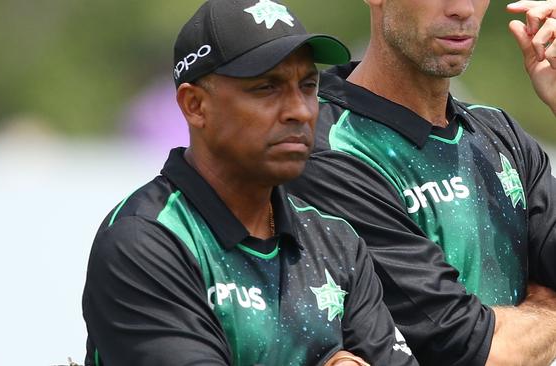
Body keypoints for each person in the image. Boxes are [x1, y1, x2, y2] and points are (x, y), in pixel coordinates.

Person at [81, 1, 418, 365]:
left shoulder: (337, 242)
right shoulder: (146, 241)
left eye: (307, 85)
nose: (301, 110)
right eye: (267, 88)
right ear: (194, 105)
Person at [287, 1, 556, 365]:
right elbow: (483, 352)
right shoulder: (328, 150)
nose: (462, 8)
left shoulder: (500, 132)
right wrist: (545, 306)